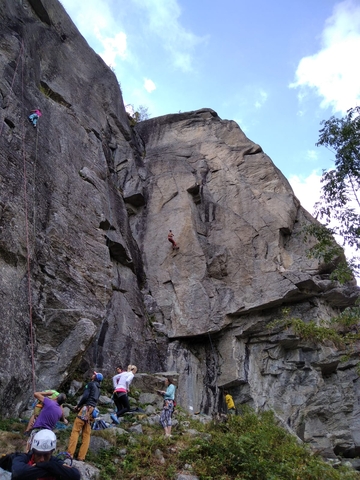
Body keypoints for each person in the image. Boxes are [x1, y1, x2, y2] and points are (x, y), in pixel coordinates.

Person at [12, 429, 80, 479]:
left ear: (51, 452)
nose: (42, 459)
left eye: (46, 455)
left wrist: (47, 465)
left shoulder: (54, 462)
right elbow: (18, 473)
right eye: (38, 454)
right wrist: (55, 470)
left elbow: (75, 475)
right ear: (34, 451)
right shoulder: (22, 458)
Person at [67, 371, 103, 461]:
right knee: (86, 434)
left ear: (95, 377)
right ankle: (81, 457)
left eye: (94, 374)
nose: (92, 375)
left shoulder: (90, 384)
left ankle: (70, 454)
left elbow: (85, 396)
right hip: (93, 411)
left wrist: (78, 406)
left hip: (85, 409)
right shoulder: (99, 389)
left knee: (76, 430)